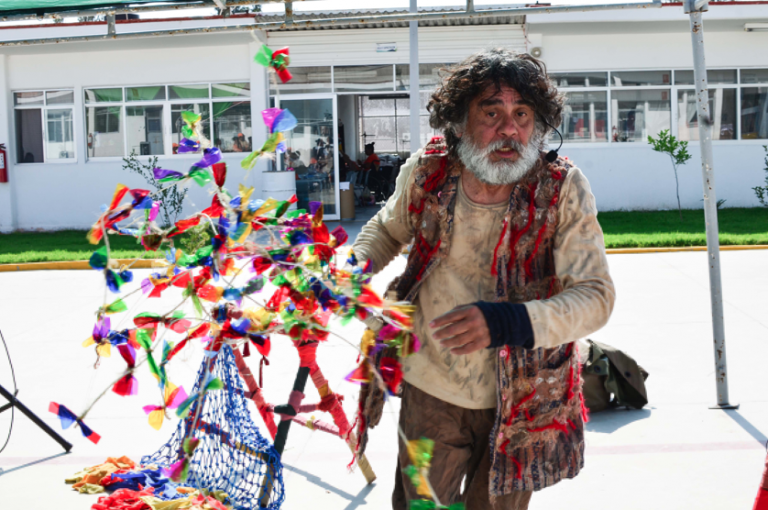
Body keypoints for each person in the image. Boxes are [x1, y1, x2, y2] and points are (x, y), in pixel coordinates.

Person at [352, 49, 615, 509]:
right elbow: (387, 229)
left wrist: (506, 322)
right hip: (430, 393)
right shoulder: (427, 172)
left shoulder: (562, 189)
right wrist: (354, 265)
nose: (509, 129)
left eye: (522, 114)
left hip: (522, 406)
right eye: (491, 112)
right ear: (458, 122)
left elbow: (595, 297)